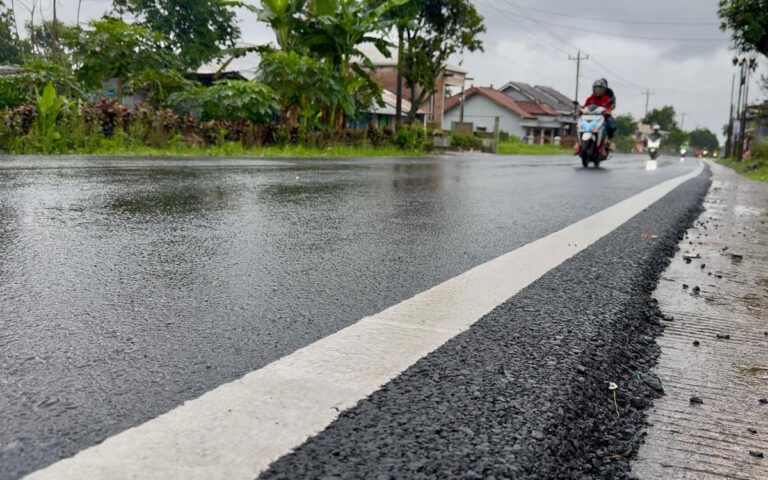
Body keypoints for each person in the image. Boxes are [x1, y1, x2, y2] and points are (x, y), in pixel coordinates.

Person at [583, 78, 616, 154]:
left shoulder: (608, 97)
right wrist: (580, 110)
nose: (598, 90)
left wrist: (609, 110)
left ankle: (608, 144)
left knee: (609, 126)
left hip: (603, 116)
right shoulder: (590, 98)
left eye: (600, 89)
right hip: (592, 116)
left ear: (604, 88)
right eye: (596, 89)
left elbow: (611, 105)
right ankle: (578, 145)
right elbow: (585, 106)